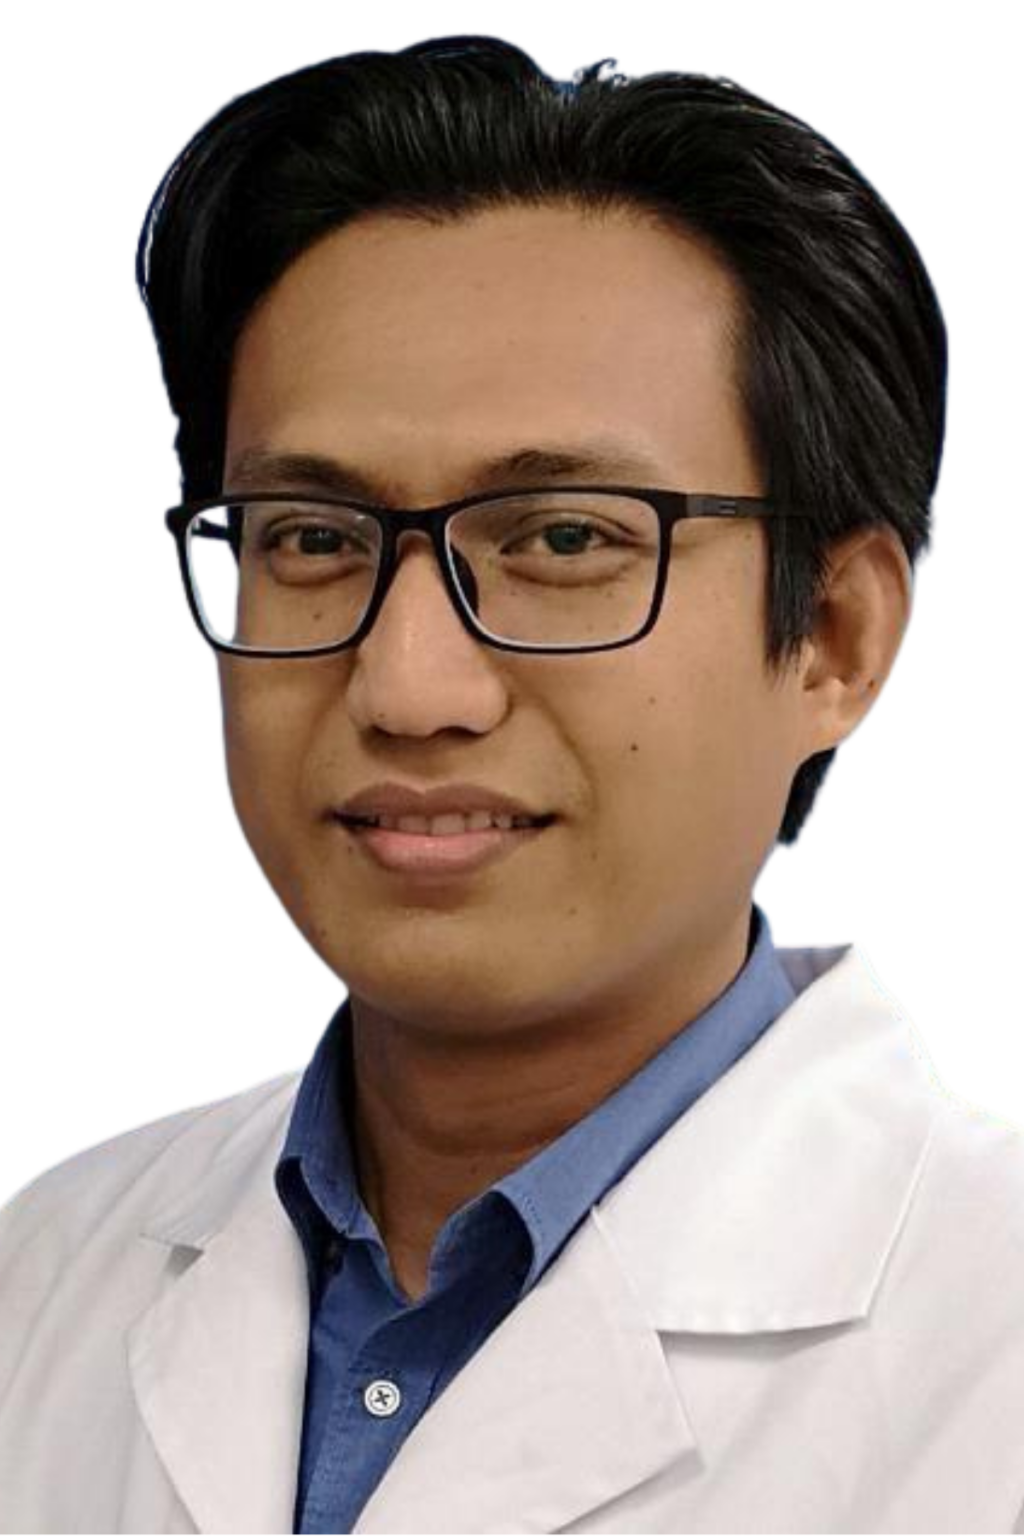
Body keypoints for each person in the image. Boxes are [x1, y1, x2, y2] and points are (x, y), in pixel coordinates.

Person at [2, 31, 1023, 1536]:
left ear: (834, 636)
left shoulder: (988, 1339)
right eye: (312, 538)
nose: (409, 687)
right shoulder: (40, 1282)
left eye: (561, 540)